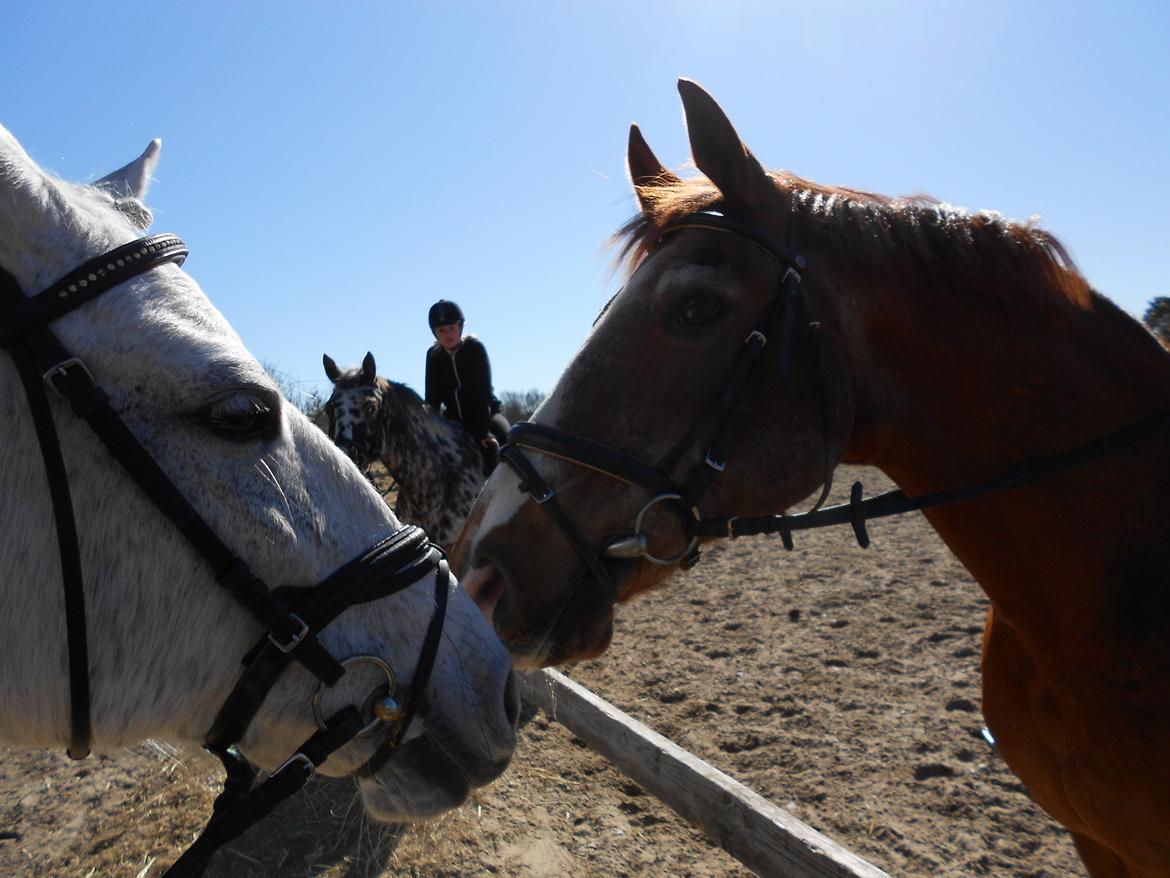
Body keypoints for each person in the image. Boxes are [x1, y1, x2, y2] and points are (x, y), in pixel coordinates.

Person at [424, 300, 509, 475]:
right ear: (435, 333)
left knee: (508, 441)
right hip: (453, 422)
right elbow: (432, 400)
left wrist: (482, 434)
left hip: (486, 416)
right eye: (441, 330)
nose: (448, 334)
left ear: (460, 327)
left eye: (451, 328)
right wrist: (429, 429)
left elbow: (482, 395)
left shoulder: (475, 349)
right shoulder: (433, 356)